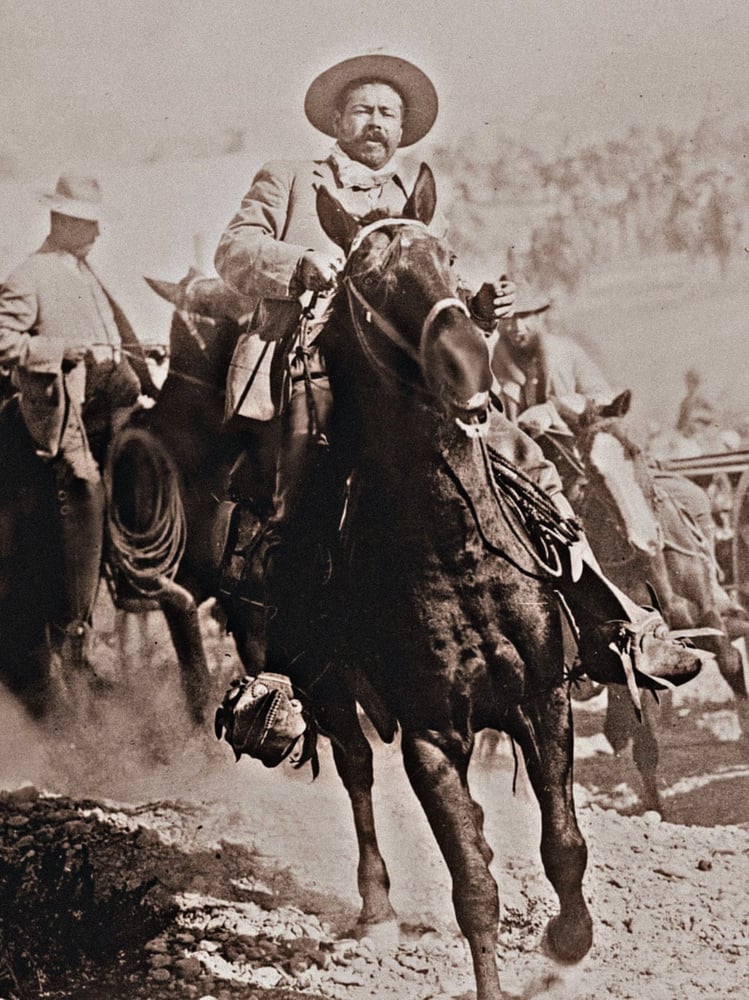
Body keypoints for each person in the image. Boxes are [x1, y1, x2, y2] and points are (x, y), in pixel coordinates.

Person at [214, 54, 689, 690]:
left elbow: (440, 290)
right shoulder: (290, 179)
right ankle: (284, 674)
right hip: (315, 366)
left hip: (410, 382)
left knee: (522, 454)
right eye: (363, 110)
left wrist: (479, 307)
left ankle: (609, 622)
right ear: (335, 119)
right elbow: (233, 251)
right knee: (295, 490)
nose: (377, 123)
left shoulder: (419, 199)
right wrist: (298, 262)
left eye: (389, 113)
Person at [490, 284, 746, 622]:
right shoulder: (494, 367)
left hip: (594, 466)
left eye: (525, 317)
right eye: (509, 319)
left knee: (693, 498)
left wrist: (553, 411)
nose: (517, 327)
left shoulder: (568, 353)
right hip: (533, 481)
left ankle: (711, 588)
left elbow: (601, 396)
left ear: (541, 317)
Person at [0, 173, 155, 668]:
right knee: (85, 488)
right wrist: (57, 349)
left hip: (113, 404)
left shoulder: (87, 272)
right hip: (66, 414)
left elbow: (109, 337)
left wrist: (140, 350)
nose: (96, 233)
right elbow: (4, 343)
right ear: (61, 221)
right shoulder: (29, 274)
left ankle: (143, 587)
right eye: (87, 223)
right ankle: (75, 624)